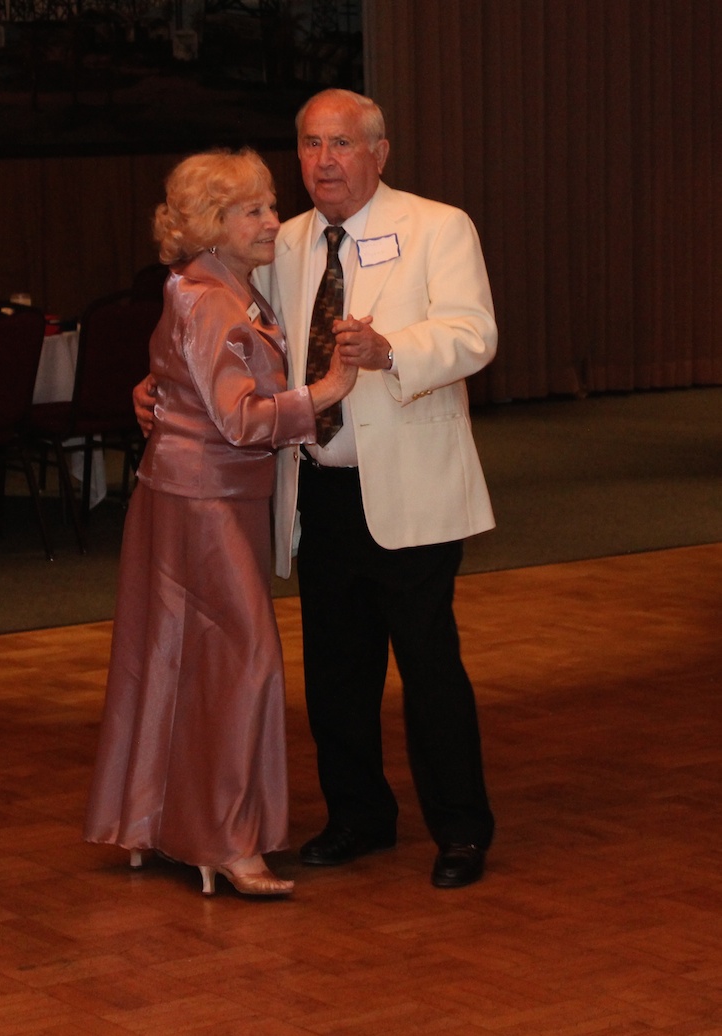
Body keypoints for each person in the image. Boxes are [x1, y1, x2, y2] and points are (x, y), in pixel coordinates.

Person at [136, 89, 498, 889]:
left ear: (380, 151)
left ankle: (461, 828)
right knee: (336, 670)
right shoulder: (281, 239)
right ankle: (358, 818)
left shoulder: (440, 226)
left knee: (430, 666)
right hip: (315, 489)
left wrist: (391, 348)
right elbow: (223, 334)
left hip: (410, 487)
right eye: (309, 144)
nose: (323, 161)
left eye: (340, 144)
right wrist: (161, 384)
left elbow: (476, 333)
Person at [83, 147, 357, 898]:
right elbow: (239, 420)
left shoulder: (226, 286)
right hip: (202, 502)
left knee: (178, 659)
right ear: (212, 225)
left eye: (270, 204)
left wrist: (158, 389)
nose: (275, 218)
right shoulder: (210, 296)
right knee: (244, 662)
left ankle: (159, 823)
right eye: (256, 210)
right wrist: (327, 390)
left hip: (201, 498)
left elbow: (180, 375)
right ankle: (227, 841)